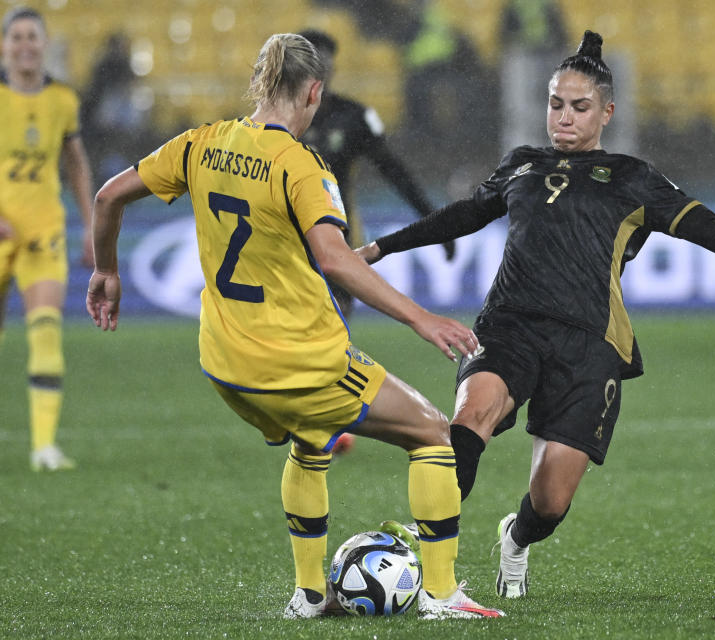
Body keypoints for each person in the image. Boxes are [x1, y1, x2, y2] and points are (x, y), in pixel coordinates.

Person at [357, 31, 715, 599]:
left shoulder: (634, 178)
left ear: (607, 111)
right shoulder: (521, 165)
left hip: (590, 345)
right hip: (510, 325)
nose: (564, 117)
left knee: (551, 503)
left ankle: (517, 538)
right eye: (556, 104)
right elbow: (460, 217)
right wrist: (380, 249)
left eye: (579, 107)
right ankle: (430, 556)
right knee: (471, 414)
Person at [85, 33, 502, 620]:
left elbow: (107, 199)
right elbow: (335, 258)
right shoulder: (303, 167)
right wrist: (420, 318)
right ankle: (442, 595)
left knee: (312, 439)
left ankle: (309, 596)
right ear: (313, 92)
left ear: (261, 84)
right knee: (433, 434)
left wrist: (106, 269)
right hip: (300, 361)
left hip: (227, 365)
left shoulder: (200, 143)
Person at [297, 29, 453, 318]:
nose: (322, 68)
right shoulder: (279, 117)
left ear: (334, 69)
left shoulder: (354, 117)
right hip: (285, 236)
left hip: (337, 236)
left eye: (326, 62)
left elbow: (395, 172)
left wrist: (435, 222)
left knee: (333, 325)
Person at [0, 7, 95, 471]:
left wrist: (91, 224)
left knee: (44, 329)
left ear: (44, 44)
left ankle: (44, 447)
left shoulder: (62, 99)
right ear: (3, 45)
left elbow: (75, 162)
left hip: (43, 229)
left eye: (32, 37)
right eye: (15, 36)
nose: (24, 45)